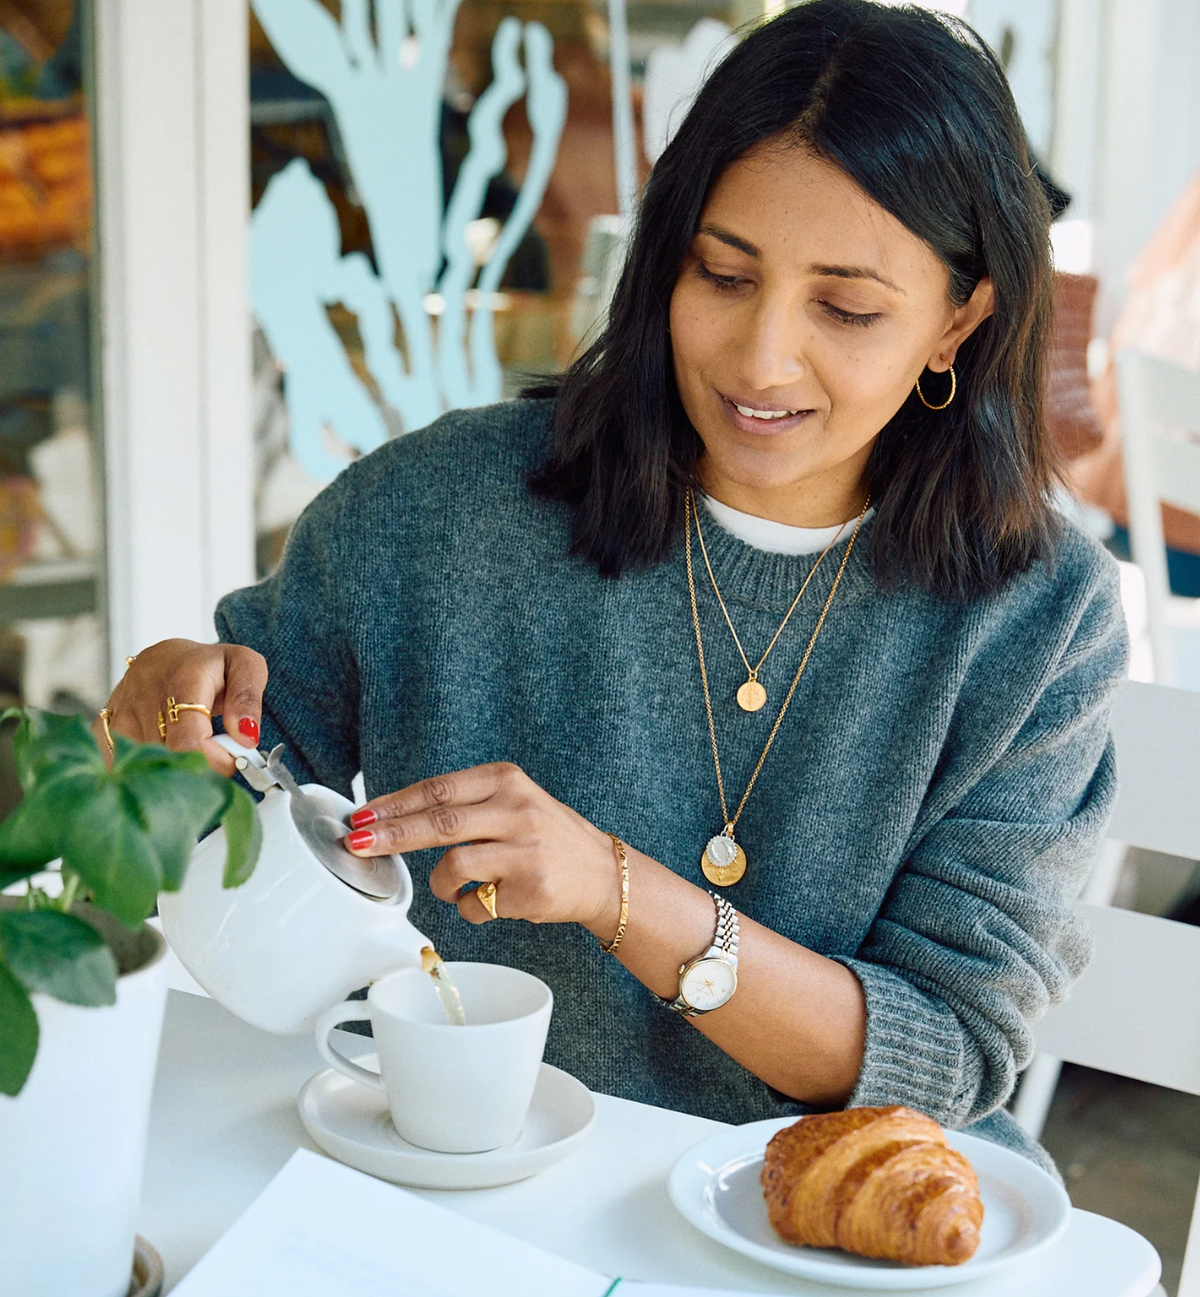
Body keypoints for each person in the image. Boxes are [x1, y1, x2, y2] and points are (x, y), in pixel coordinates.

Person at [106, 0, 1126, 1170]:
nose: (761, 359)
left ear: (961, 319)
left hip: (822, 1234)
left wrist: (614, 889)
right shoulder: (441, 509)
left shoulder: (1040, 617)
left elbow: (940, 1050)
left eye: (845, 307)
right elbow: (231, 784)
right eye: (723, 273)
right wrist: (164, 741)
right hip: (476, 1189)